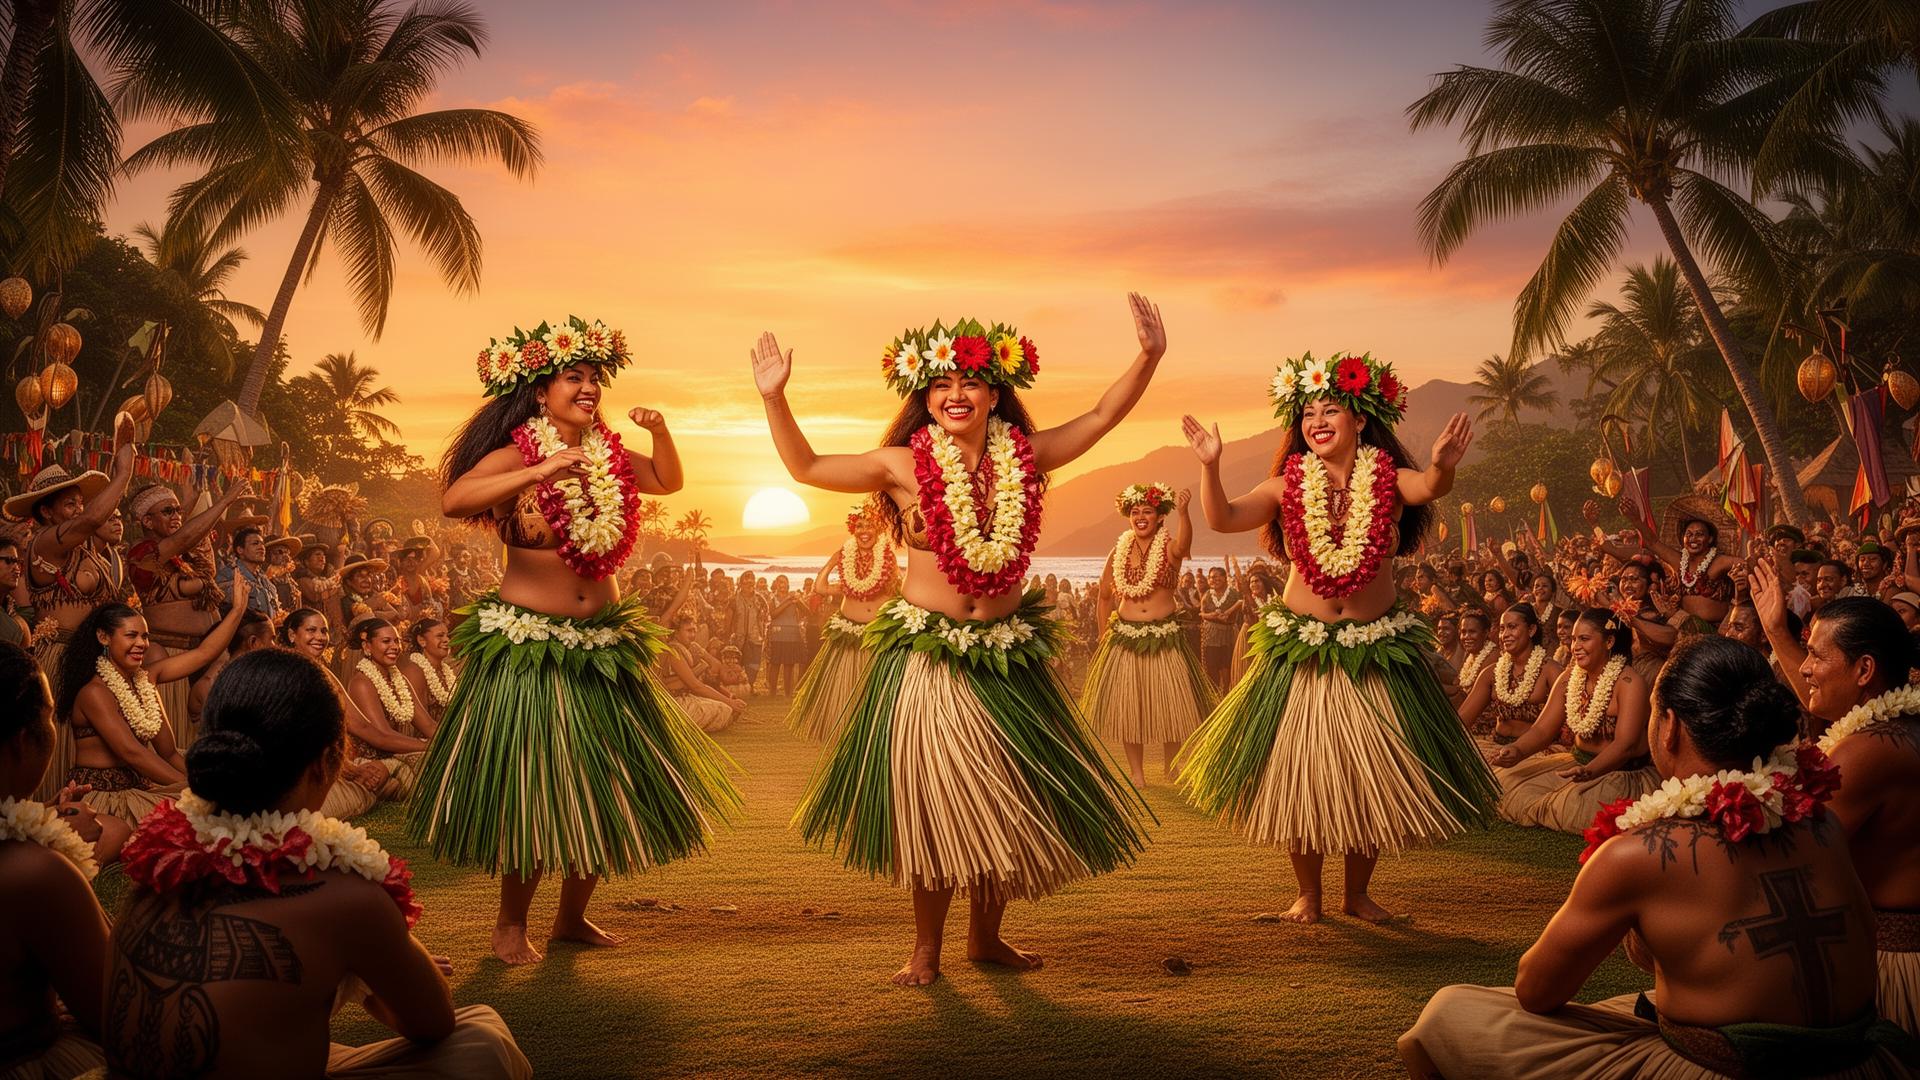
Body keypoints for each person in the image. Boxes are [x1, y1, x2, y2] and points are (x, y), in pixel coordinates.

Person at [757, 296, 1162, 984]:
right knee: (939, 801)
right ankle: (925, 948)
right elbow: (807, 468)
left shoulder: (1026, 456)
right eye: (939, 384)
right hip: (931, 661)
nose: (954, 394)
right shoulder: (899, 465)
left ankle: (986, 938)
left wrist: (1147, 356)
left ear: (995, 391)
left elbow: (1100, 416)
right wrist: (775, 398)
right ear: (925, 397)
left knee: (1008, 795)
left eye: (969, 381)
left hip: (1007, 658)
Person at [1400, 636, 1916, 1079]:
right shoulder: (1815, 817)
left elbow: (1535, 991)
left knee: (1451, 1013)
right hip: (1861, 1058)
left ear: (1667, 726)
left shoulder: (1638, 853)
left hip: (1725, 1066)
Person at [410, 314, 738, 966]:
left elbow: (668, 481)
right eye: (573, 376)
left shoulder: (608, 456)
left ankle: (572, 918)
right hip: (533, 647)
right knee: (536, 789)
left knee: (603, 782)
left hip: (603, 644)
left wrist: (663, 432)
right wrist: (538, 473)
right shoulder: (516, 454)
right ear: (540, 392)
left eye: (594, 378)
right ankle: (509, 927)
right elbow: (455, 499)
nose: (588, 387)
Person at [104, 648, 531, 1078]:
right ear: (329, 760)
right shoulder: (343, 892)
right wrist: (365, 971)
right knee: (481, 1042)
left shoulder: (163, 858)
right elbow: (433, 1023)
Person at [1178, 350, 1497, 924]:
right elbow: (1223, 518)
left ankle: (1357, 894)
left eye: (1330, 409)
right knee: (1303, 774)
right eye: (1306, 414)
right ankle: (1308, 893)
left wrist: (1444, 464)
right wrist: (1209, 464)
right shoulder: (1284, 485)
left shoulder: (1389, 481)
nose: (1316, 421)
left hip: (1375, 650)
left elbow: (1430, 485)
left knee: (1367, 775)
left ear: (1359, 420)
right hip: (1304, 653)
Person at [1752, 563, 1920, 1035]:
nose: (1803, 668)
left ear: (1864, 669)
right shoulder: (1891, 728)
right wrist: (1775, 629)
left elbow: (1793, 854)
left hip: (1889, 967)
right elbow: (1815, 697)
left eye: (1813, 656)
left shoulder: (1870, 750)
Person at [0, 640, 111, 1078]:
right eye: (49, 717)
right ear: (23, 738)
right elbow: (115, 1011)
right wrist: (60, 850)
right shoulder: (34, 873)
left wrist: (44, 817)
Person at [56, 582, 250, 825]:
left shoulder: (146, 680)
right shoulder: (94, 692)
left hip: (141, 786)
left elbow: (168, 752)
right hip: (106, 800)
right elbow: (133, 753)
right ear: (103, 637)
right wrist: (193, 791)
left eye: (145, 636)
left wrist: (238, 611)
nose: (142, 644)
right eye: (131, 635)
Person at [1082, 483, 1213, 787]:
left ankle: (1170, 766)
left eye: (1148, 511)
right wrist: (1103, 636)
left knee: (1172, 707)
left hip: (1163, 637)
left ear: (1159, 516)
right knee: (1130, 709)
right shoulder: (1118, 551)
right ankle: (1137, 773)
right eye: (1136, 512)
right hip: (1125, 638)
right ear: (1129, 516)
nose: (1141, 516)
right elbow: (1104, 596)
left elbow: (1185, 546)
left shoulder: (1169, 547)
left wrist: (1184, 513)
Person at [1487, 608, 1659, 833]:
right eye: (1575, 638)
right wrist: (1516, 750)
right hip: (1574, 764)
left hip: (1621, 773)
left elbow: (1624, 746)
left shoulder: (1628, 682)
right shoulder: (1568, 678)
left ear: (1609, 642)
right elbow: (1541, 730)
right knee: (1506, 785)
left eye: (1584, 639)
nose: (1575, 646)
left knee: (1571, 808)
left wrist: (1590, 770)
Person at [128, 474, 253, 746]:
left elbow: (201, 544)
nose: (176, 515)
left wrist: (196, 500)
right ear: (147, 522)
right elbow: (185, 535)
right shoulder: (143, 553)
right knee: (178, 738)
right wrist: (225, 500)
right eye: (167, 511)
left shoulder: (184, 553)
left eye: (179, 510)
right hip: (171, 654)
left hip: (208, 653)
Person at [9, 421, 136, 680]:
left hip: (92, 657)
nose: (79, 510)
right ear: (45, 512)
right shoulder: (44, 541)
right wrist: (124, 474)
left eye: (81, 503)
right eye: (70, 505)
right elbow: (90, 520)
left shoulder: (84, 546)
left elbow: (99, 516)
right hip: (60, 659)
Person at [277, 609, 408, 818]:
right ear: (292, 635)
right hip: (299, 774)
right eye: (311, 630)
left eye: (324, 631)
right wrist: (352, 771)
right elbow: (305, 740)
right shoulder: (283, 673)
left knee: (390, 778)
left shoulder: (322, 671)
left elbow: (361, 726)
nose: (320, 637)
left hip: (335, 765)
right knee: (377, 785)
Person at [787, 503, 899, 740]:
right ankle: (846, 732)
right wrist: (833, 562)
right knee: (847, 691)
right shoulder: (847, 566)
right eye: (859, 526)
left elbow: (900, 591)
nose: (864, 530)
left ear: (878, 531)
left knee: (873, 690)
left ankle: (876, 731)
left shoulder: (887, 564)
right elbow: (820, 587)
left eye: (870, 525)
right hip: (848, 635)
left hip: (877, 636)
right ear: (853, 530)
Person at [344, 617, 433, 795]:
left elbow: (428, 725)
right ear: (367, 647)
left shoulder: (399, 680)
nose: (394, 646)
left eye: (397, 641)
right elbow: (383, 737)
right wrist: (430, 746)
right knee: (431, 761)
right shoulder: (362, 682)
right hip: (372, 762)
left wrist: (454, 739)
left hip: (397, 754)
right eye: (386, 641)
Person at [1458, 603, 1562, 747]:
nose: (1505, 634)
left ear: (1531, 630)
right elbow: (1462, 719)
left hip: (1539, 751)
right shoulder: (1491, 673)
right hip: (1496, 746)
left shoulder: (1550, 671)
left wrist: (1518, 750)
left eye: (1512, 627)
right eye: (1502, 628)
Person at [659, 612, 745, 733]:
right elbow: (695, 686)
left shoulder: (692, 648)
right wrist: (729, 702)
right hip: (674, 702)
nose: (693, 635)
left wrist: (729, 693)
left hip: (688, 696)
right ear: (676, 633)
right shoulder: (674, 651)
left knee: (727, 708)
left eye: (694, 631)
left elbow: (715, 665)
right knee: (725, 709)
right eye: (689, 631)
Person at [215, 525, 283, 622]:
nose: (262, 547)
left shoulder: (265, 580)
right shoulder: (228, 575)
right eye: (255, 543)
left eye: (262, 544)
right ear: (240, 550)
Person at [400, 617, 458, 724]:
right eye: (440, 636)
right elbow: (420, 721)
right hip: (426, 738)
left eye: (447, 636)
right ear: (422, 641)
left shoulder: (448, 672)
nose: (447, 640)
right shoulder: (414, 671)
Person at [1196, 564, 1244, 691]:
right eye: (1211, 577)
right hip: (1210, 635)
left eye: (1217, 577)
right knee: (1211, 666)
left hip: (1228, 634)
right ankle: (1214, 694)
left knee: (1227, 666)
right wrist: (1212, 616)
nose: (1214, 580)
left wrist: (1228, 612)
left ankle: (1226, 693)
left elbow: (1242, 602)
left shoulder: (1233, 594)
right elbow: (1201, 613)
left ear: (1225, 578)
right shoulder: (1207, 595)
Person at [763, 574, 806, 696]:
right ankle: (772, 693)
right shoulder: (773, 599)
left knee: (789, 664)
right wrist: (788, 601)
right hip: (777, 635)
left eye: (784, 582)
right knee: (775, 664)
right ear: (776, 584)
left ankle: (788, 693)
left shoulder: (794, 598)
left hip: (792, 635)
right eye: (779, 582)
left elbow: (807, 612)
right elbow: (773, 614)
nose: (782, 584)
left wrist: (798, 601)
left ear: (788, 584)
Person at [1448, 608, 1496, 708]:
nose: (1466, 637)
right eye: (1463, 632)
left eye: (1472, 632)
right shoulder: (1469, 655)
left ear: (1486, 633)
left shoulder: (1493, 656)